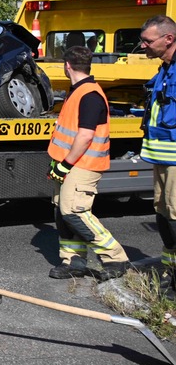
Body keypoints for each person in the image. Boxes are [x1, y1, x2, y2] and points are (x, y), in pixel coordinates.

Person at [45, 45, 132, 280]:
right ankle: (73, 261)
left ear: (67, 66)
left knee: (74, 212)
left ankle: (115, 258)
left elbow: (85, 136)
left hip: (82, 165)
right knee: (63, 212)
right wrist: (58, 163)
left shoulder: (90, 95)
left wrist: (65, 165)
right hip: (70, 162)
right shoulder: (80, 91)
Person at [139, 14, 176, 298]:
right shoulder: (164, 69)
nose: (142, 46)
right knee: (163, 214)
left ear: (169, 39)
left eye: (147, 41)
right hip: (161, 157)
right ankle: (170, 272)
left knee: (174, 216)